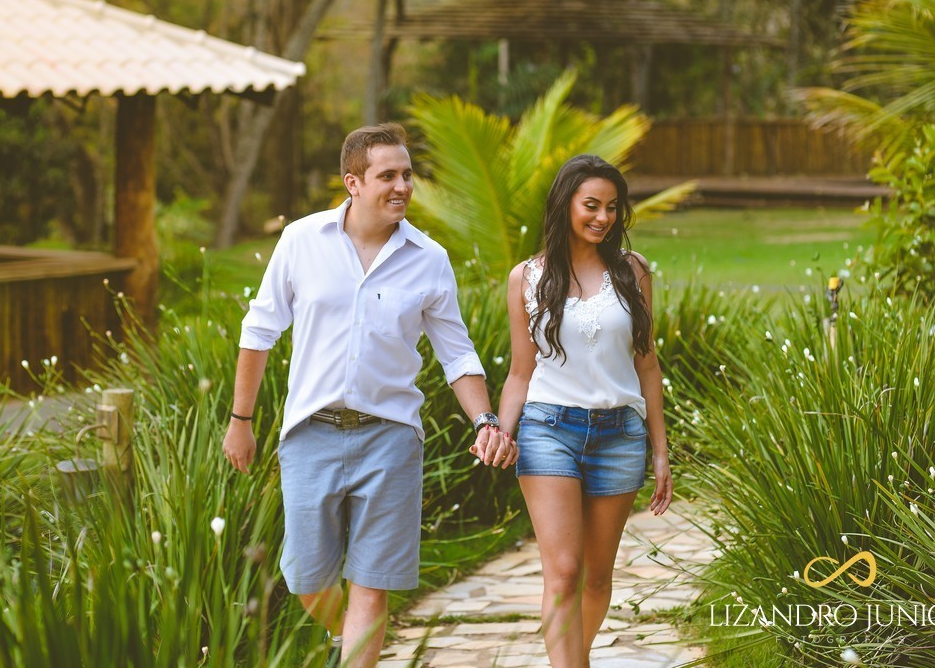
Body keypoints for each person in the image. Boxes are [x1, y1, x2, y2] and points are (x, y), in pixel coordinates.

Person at [222, 122, 518, 668]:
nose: (402, 185)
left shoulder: (429, 259)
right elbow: (257, 333)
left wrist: (486, 422)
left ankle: (359, 650)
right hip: (311, 434)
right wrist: (241, 420)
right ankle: (353, 641)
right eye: (388, 175)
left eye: (407, 174)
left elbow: (458, 354)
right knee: (307, 578)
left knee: (371, 584)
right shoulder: (301, 242)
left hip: (390, 438)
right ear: (352, 182)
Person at [495, 154, 672, 668]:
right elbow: (520, 374)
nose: (603, 218)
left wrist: (659, 452)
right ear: (564, 204)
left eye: (612, 208)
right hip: (549, 430)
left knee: (597, 577)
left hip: (620, 434)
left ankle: (575, 658)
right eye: (590, 205)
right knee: (565, 571)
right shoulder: (526, 278)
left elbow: (648, 367)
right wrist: (502, 430)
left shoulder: (633, 273)